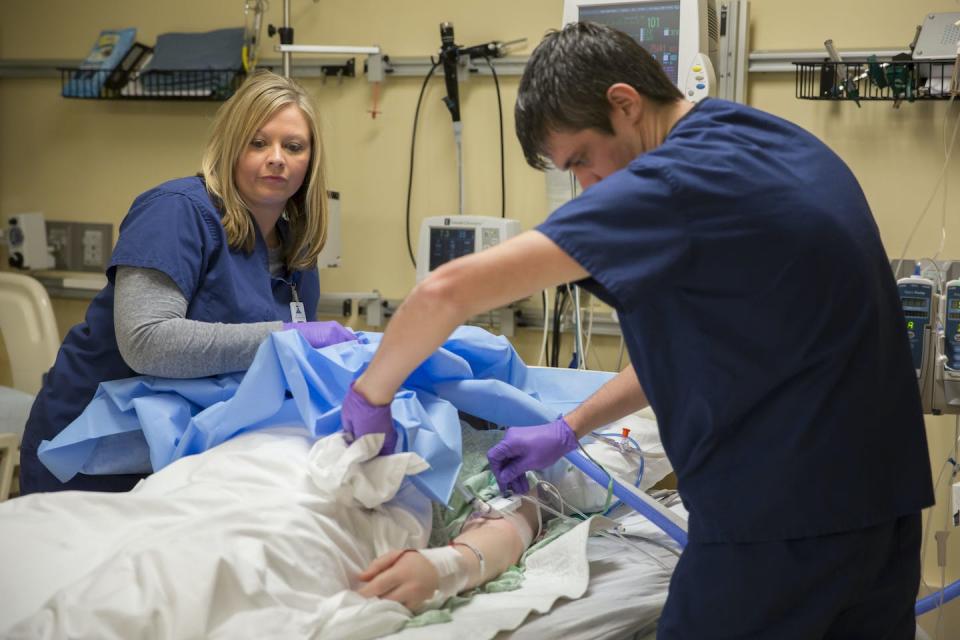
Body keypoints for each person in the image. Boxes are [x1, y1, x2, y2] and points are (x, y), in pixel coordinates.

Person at [340, 22, 934, 639]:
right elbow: (709, 348)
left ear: (625, 105)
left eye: (582, 162)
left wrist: (371, 395)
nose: (587, 188)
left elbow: (445, 291)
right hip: (882, 510)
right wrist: (569, 427)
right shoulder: (766, 140)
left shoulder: (674, 182)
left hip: (779, 525)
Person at [20, 70, 356, 495]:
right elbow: (146, 342)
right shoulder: (176, 212)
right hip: (97, 453)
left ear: (310, 162)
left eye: (293, 146)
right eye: (258, 142)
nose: (276, 157)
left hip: (194, 460)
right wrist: (287, 336)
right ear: (231, 146)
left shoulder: (297, 253)